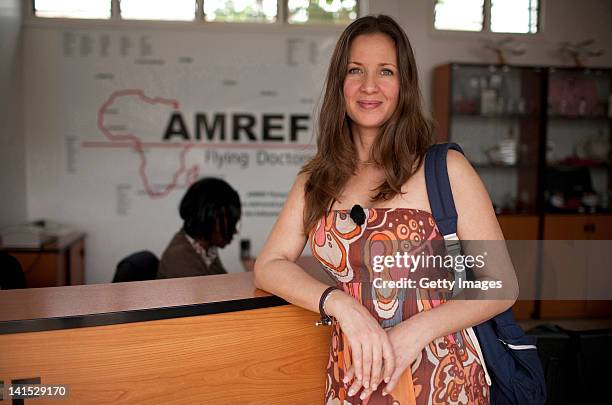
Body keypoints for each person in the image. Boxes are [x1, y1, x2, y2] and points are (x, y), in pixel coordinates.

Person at [254, 14, 518, 404]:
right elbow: (270, 264)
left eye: (386, 71)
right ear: (339, 84)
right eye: (355, 70)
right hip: (353, 381)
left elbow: (501, 284)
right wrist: (340, 305)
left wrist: (417, 330)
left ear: (404, 84)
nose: (369, 86)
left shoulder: (444, 169)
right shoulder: (317, 179)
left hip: (442, 382)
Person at [157, 177, 251, 279]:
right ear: (209, 219)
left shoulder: (205, 249)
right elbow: (218, 293)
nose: (235, 231)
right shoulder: (179, 258)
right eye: (231, 224)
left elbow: (223, 284)